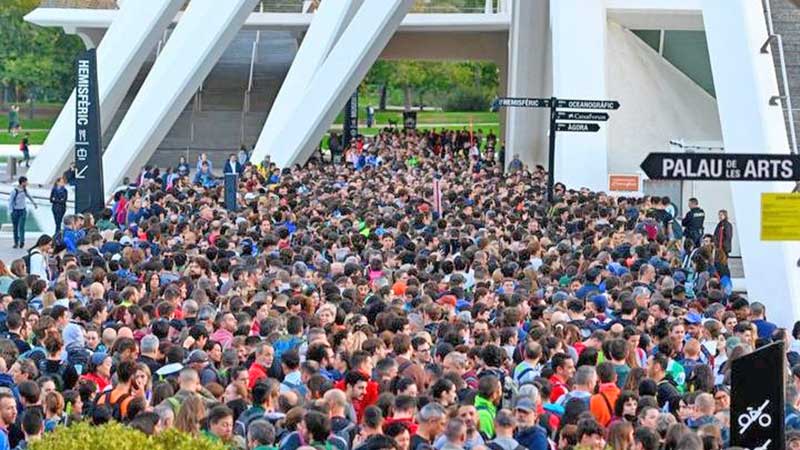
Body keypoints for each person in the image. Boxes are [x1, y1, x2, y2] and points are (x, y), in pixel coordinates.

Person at [8, 176, 38, 249]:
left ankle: (22, 241)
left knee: (21, 226)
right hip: (15, 211)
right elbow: (10, 201)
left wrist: (34, 203)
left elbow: (29, 196)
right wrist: (10, 211)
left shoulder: (25, 190)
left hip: (23, 210)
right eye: (26, 182)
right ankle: (16, 242)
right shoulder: (14, 191)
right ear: (22, 182)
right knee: (15, 227)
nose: (27, 183)